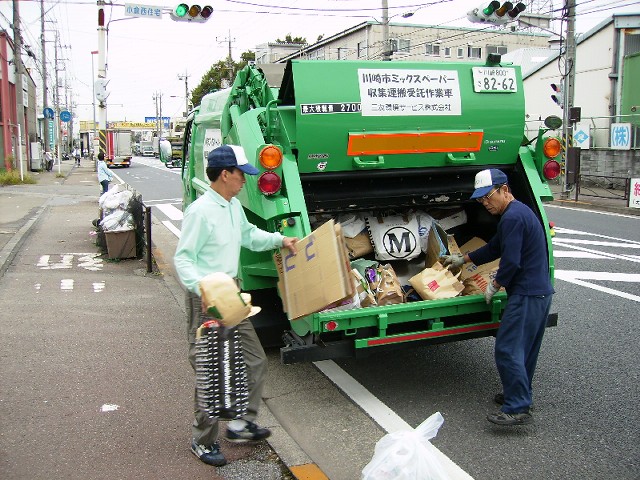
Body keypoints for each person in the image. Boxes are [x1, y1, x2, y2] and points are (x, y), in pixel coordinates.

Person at [174, 144, 298, 467]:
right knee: (210, 371)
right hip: (206, 297)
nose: (246, 180)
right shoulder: (200, 212)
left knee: (255, 360)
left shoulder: (232, 207)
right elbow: (183, 260)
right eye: (241, 174)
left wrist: (279, 240)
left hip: (232, 293)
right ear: (225, 174)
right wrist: (200, 287)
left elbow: (249, 236)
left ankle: (241, 422)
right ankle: (202, 441)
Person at [441, 168, 554, 426]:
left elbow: (511, 262)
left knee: (507, 348)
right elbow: (495, 248)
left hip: (526, 293)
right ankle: (520, 395)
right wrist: (463, 258)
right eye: (481, 199)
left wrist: (495, 284)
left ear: (505, 190)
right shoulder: (518, 213)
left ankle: (516, 407)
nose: (485, 203)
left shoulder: (512, 218)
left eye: (488, 196)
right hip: (538, 293)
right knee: (524, 349)